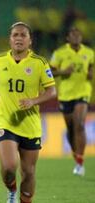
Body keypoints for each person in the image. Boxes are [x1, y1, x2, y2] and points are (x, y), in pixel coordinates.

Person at [0, 22, 56, 203]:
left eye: (23, 35)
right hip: (6, 121)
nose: (19, 38)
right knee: (8, 167)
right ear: (9, 39)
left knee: (29, 172)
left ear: (30, 41)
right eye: (15, 35)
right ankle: (12, 190)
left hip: (30, 124)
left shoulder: (39, 62)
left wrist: (33, 101)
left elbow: (52, 91)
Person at [50, 27, 94, 176]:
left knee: (80, 124)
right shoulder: (59, 53)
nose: (77, 37)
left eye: (79, 34)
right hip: (66, 95)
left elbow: (91, 66)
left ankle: (80, 162)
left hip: (83, 92)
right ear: (68, 38)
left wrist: (91, 73)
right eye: (73, 34)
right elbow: (49, 72)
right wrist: (63, 72)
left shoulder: (89, 53)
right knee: (70, 129)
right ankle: (76, 157)